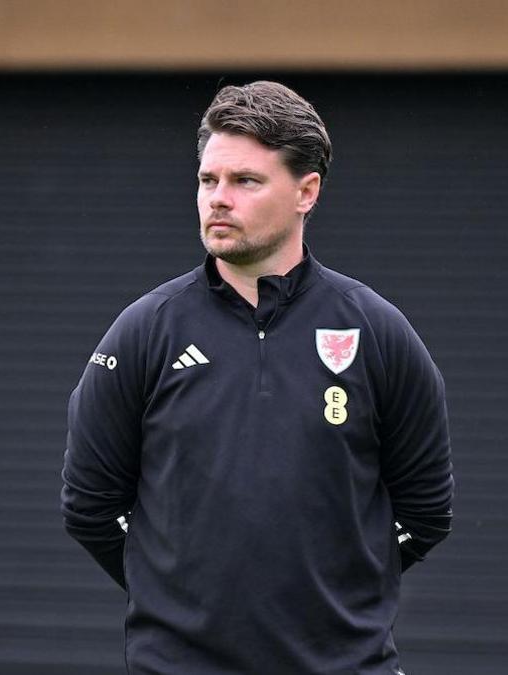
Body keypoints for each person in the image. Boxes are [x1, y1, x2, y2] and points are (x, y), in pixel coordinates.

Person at [60, 80, 453, 674]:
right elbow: (90, 506)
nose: (219, 198)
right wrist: (179, 598)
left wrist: (340, 589)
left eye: (245, 181)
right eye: (207, 180)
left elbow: (426, 514)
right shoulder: (146, 331)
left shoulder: (376, 331)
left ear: (306, 192)